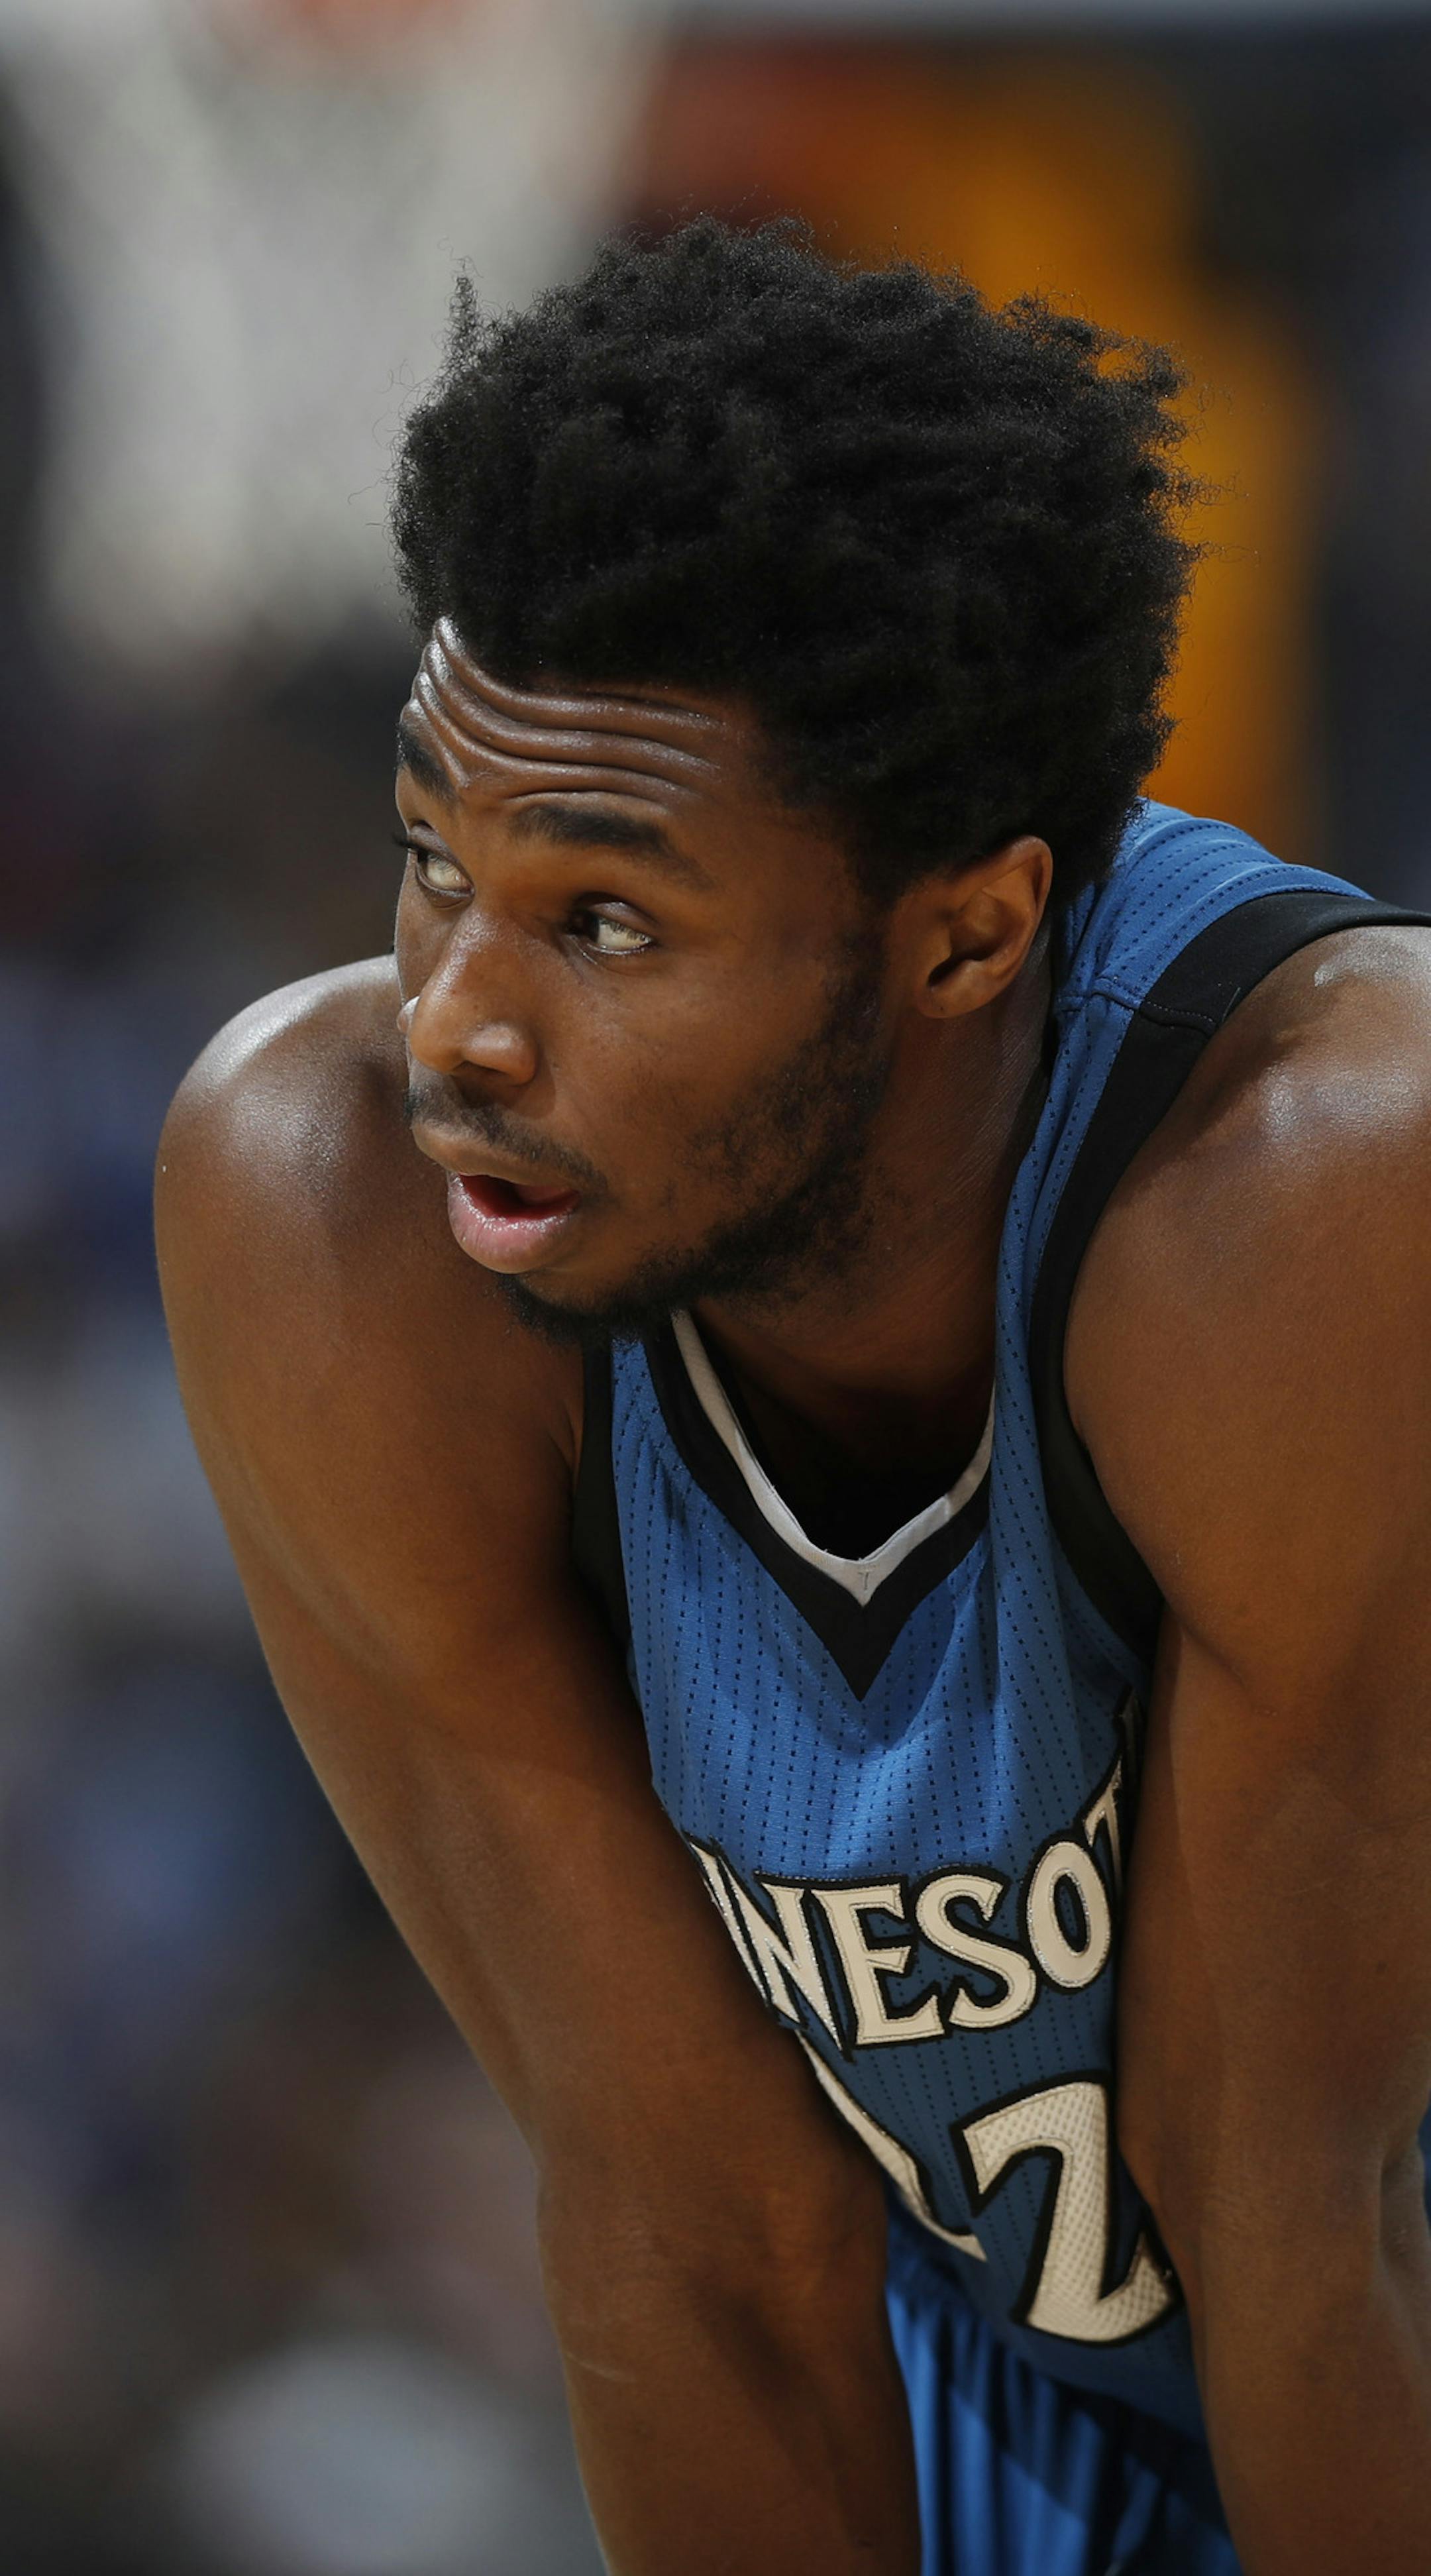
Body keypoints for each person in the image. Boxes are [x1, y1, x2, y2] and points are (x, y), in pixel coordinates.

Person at [154, 220, 1431, 2575]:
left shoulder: (1316, 1192)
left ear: (966, 932)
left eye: (607, 921)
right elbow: (698, 2244)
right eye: (436, 862)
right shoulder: (324, 1215)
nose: (455, 1020)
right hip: (1052, 2395)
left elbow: (1314, 2227)